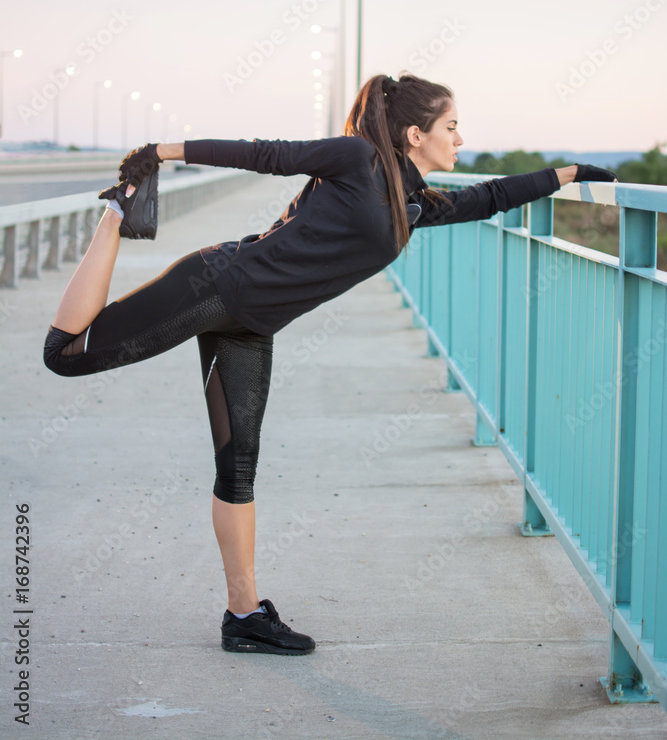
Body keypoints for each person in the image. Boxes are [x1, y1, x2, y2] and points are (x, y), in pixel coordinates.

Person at [42, 72, 617, 655]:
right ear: (416, 134)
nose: (461, 138)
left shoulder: (410, 203)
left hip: (250, 326)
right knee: (64, 356)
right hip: (216, 284)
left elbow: (487, 198)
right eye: (452, 126)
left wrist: (567, 175)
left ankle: (243, 617)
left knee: (238, 470)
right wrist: (160, 152)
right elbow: (265, 155)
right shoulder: (357, 157)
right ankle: (116, 214)